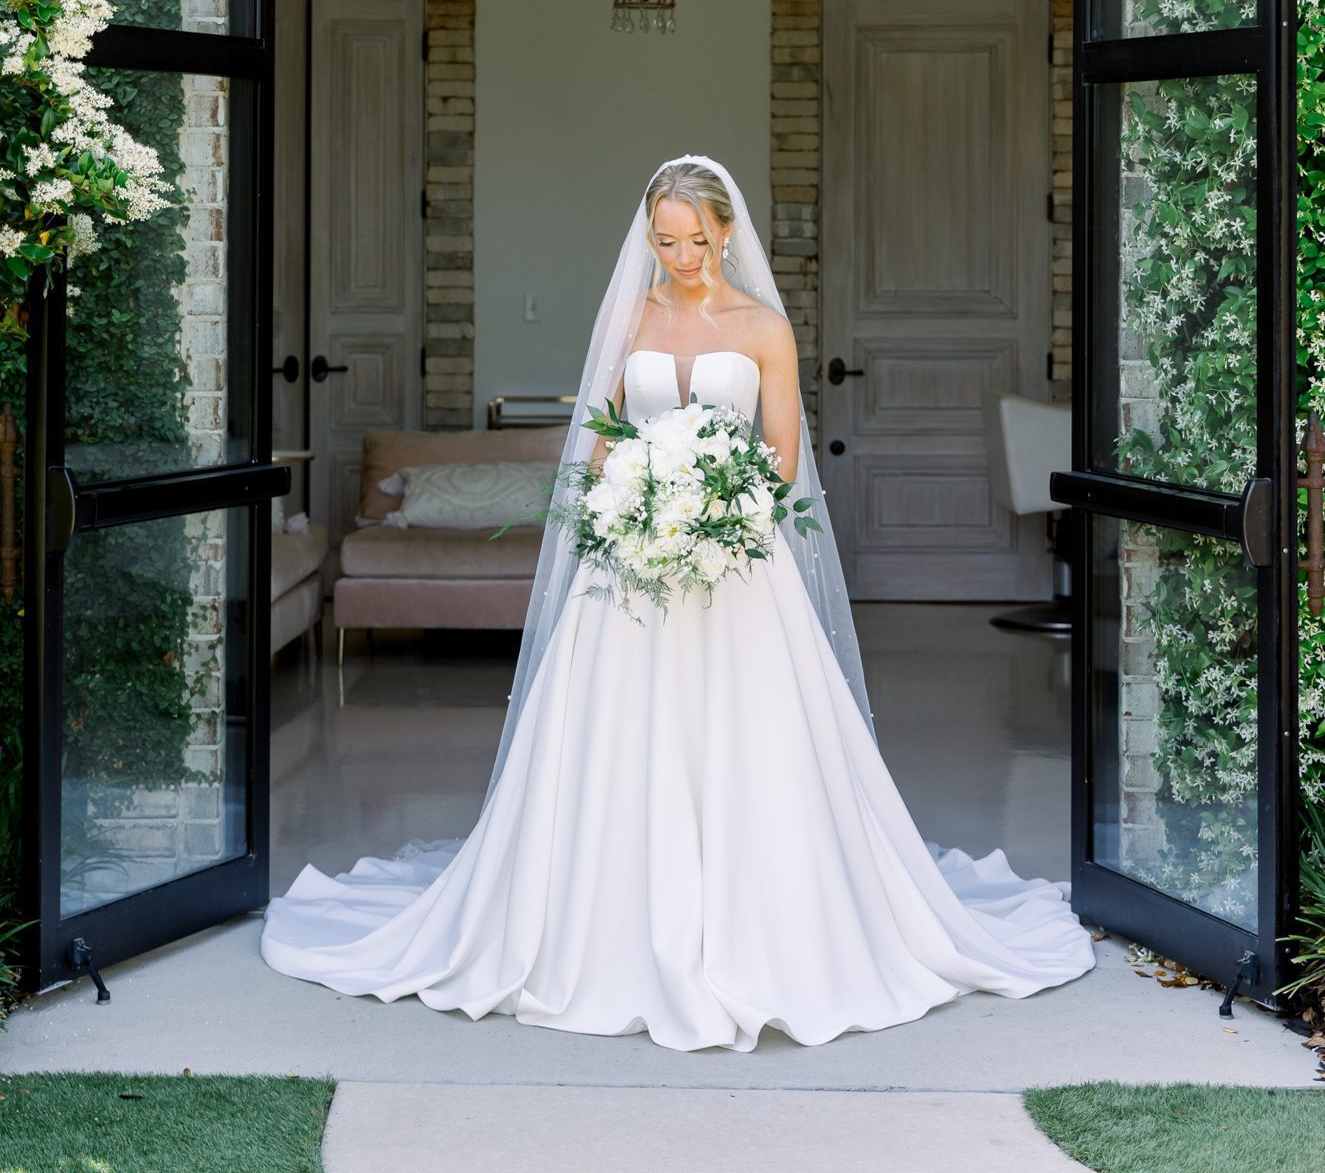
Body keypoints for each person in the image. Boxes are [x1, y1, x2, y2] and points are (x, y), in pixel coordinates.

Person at [260, 155, 1095, 1051]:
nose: (680, 254)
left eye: (695, 239)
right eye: (664, 240)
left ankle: (760, 927)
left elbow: (781, 456)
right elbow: (593, 446)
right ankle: (600, 927)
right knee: (615, 741)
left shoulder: (764, 327)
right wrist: (632, 502)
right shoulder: (630, 319)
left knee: (750, 741)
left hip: (737, 566)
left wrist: (717, 507)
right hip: (628, 566)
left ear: (726, 233)